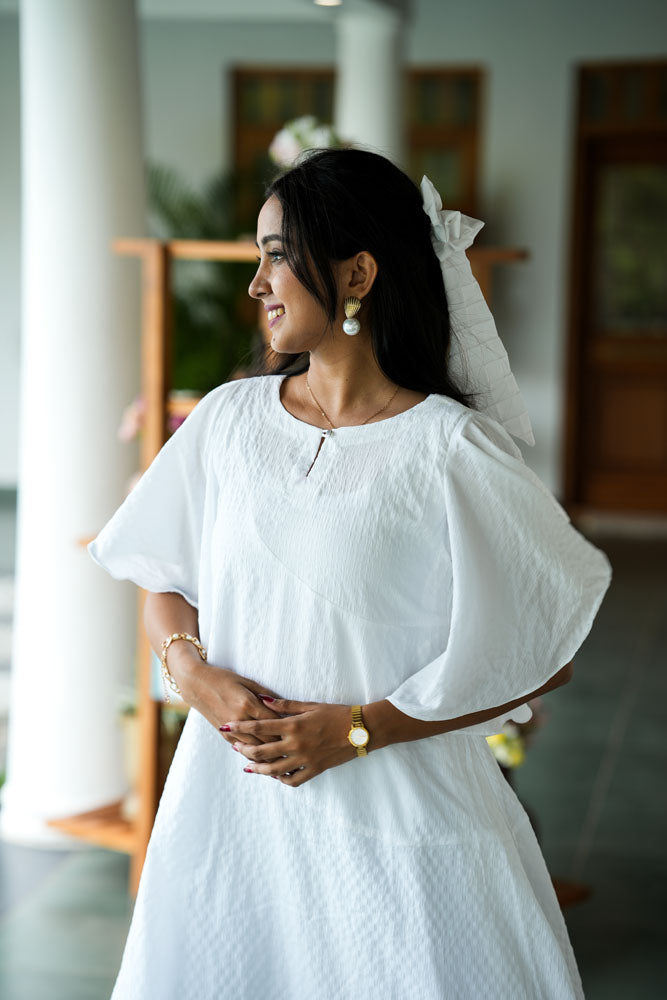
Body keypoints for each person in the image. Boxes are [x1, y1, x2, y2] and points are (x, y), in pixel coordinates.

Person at [88, 148, 612, 999]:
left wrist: (358, 730)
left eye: (273, 253)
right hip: (234, 813)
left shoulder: (450, 446)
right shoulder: (227, 422)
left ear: (357, 272)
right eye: (257, 254)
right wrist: (191, 671)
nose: (256, 282)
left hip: (399, 826)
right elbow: (161, 575)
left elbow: (545, 651)